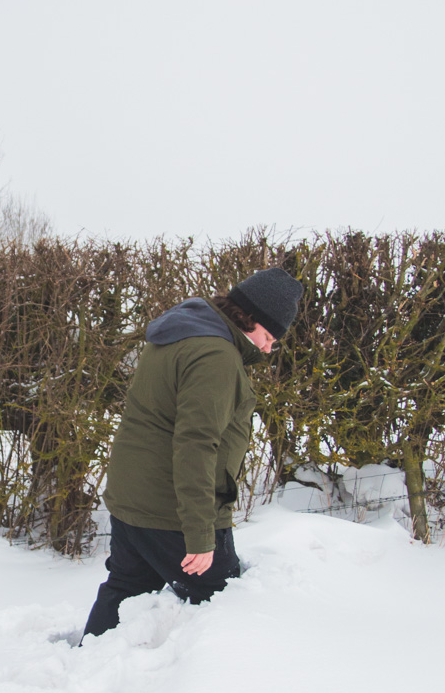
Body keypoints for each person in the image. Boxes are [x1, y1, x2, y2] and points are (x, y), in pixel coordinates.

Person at [82, 265, 304, 638]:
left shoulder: (182, 331)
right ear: (251, 319)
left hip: (133, 499)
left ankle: (85, 665)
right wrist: (200, 535)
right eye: (269, 336)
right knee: (227, 601)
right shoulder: (216, 356)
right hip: (175, 513)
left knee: (125, 589)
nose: (269, 348)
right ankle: (215, 686)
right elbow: (196, 446)